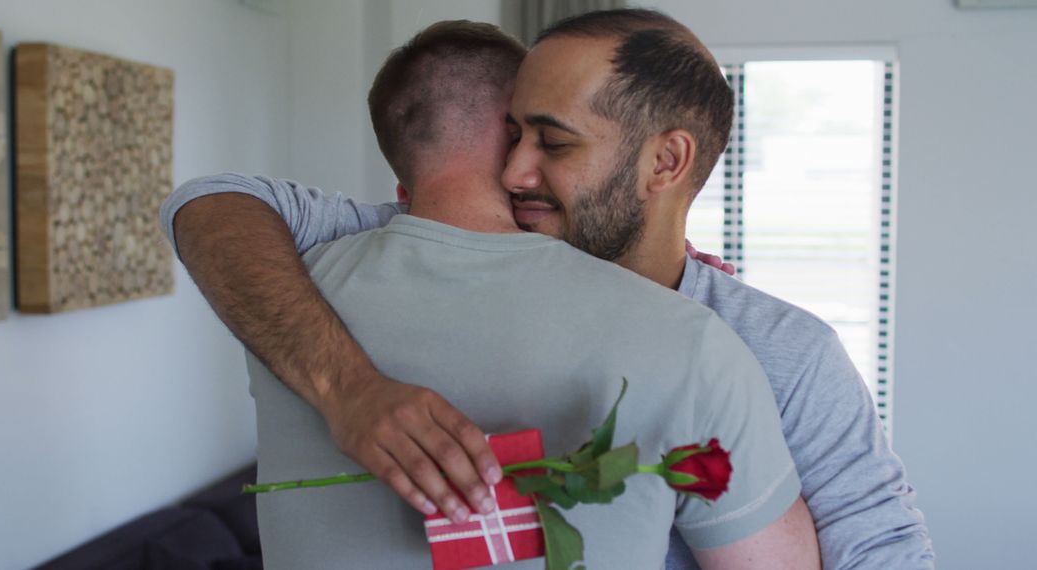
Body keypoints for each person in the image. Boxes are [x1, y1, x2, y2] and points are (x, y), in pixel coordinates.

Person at [163, 9, 932, 569]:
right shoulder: (351, 252)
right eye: (512, 134)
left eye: (551, 142)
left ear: (665, 164)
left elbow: (886, 554)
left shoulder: (773, 350)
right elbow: (212, 203)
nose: (514, 172)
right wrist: (349, 390)